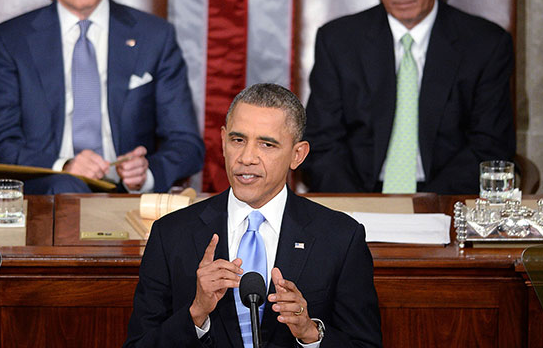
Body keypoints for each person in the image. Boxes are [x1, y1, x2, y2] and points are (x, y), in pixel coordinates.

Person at [123, 83, 382, 347]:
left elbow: (365, 344)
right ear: (223, 141)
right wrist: (197, 313)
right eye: (238, 140)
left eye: (267, 144)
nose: (247, 158)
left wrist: (309, 333)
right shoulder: (171, 234)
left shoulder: (340, 238)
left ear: (297, 154)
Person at [0, 0, 204, 194]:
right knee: (66, 186)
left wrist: (146, 174)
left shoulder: (155, 37)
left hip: (121, 197)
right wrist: (64, 167)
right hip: (41, 196)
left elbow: (187, 144)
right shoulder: (11, 41)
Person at [302, 0, 516, 194]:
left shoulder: (486, 45)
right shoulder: (338, 42)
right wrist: (358, 211)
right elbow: (322, 144)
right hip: (358, 195)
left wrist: (425, 208)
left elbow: (489, 146)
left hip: (446, 198)